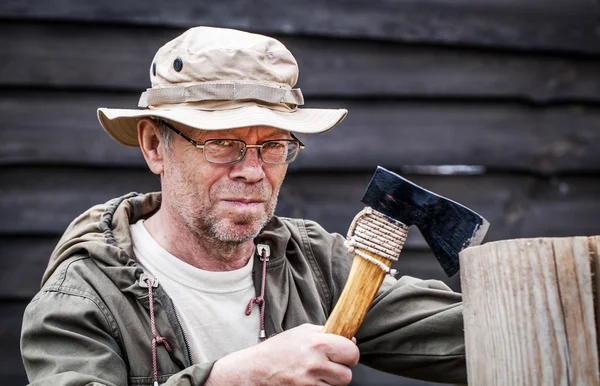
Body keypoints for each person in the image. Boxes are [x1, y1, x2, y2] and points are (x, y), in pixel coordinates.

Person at [21, 26, 466, 386]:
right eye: (221, 143)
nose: (253, 171)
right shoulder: (82, 299)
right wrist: (234, 378)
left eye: (273, 145)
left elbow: (481, 339)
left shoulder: (312, 264)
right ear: (155, 146)